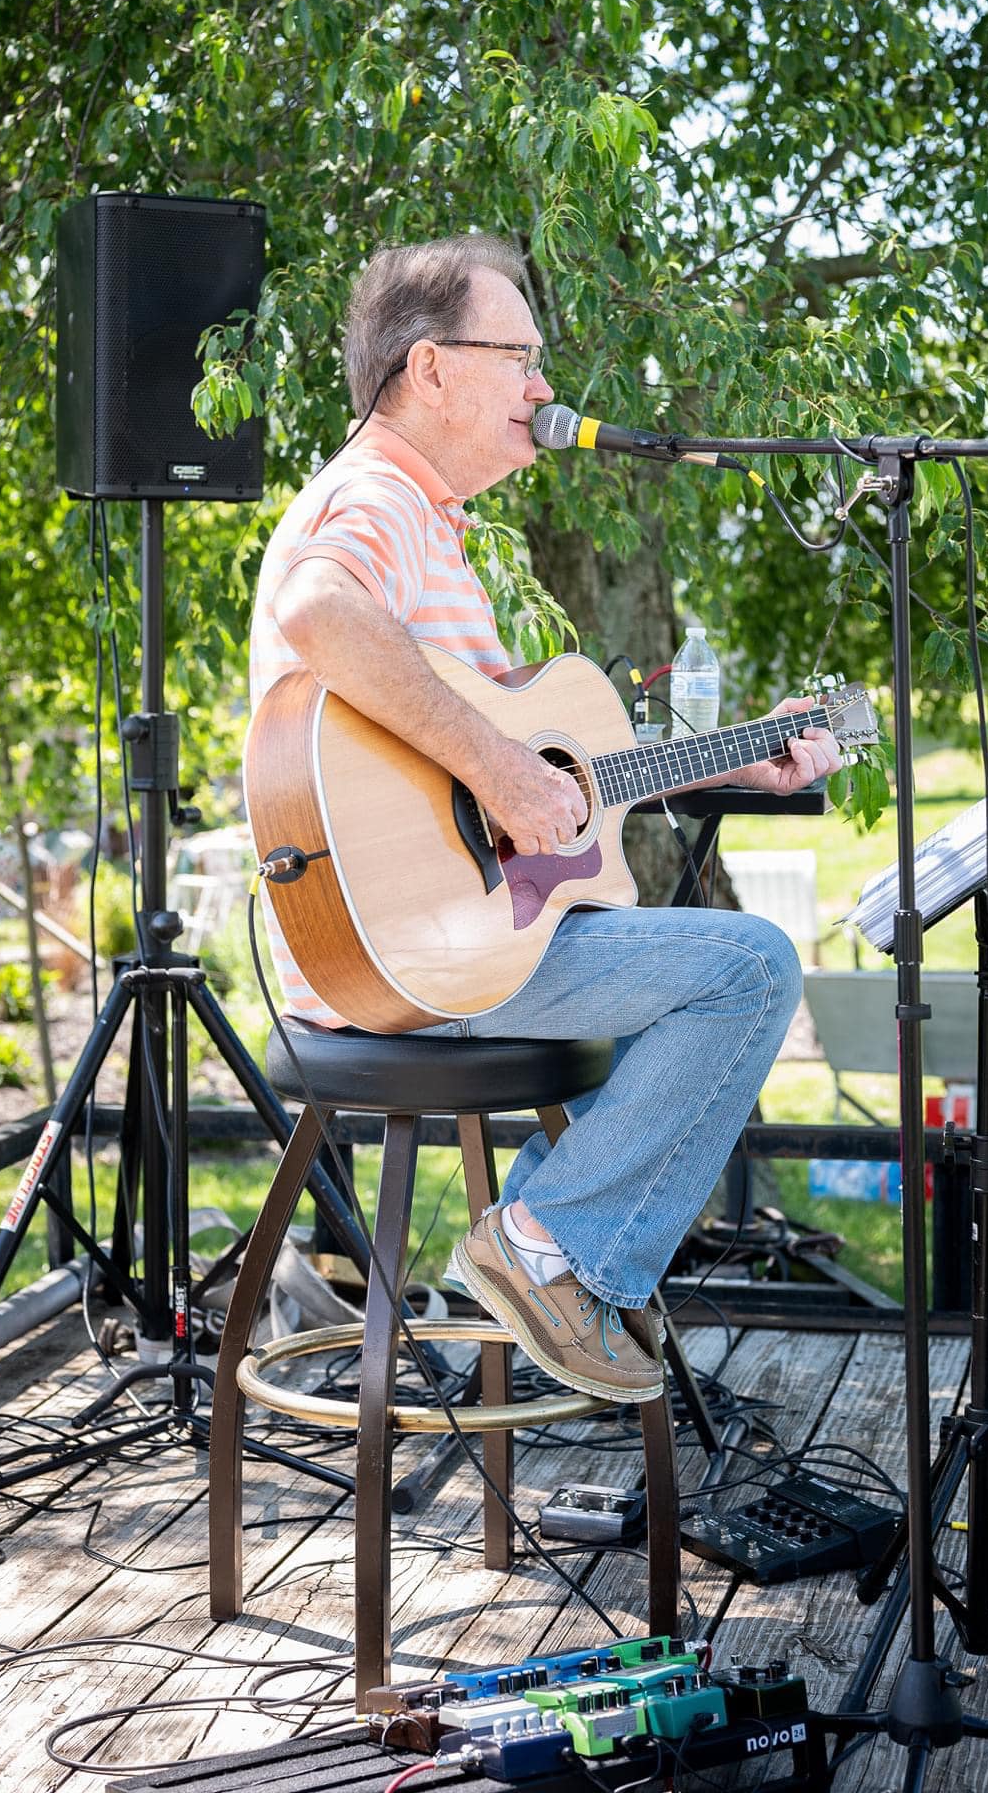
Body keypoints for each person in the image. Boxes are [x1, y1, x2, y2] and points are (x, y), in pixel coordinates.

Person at [250, 233, 842, 1404]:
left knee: (685, 993)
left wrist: (728, 765)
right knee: (746, 969)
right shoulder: (373, 495)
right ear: (428, 370)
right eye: (516, 357)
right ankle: (544, 1241)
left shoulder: (437, 530)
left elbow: (554, 764)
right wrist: (503, 771)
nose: (542, 388)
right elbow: (320, 609)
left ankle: (569, 1257)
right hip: (410, 954)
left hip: (447, 940)